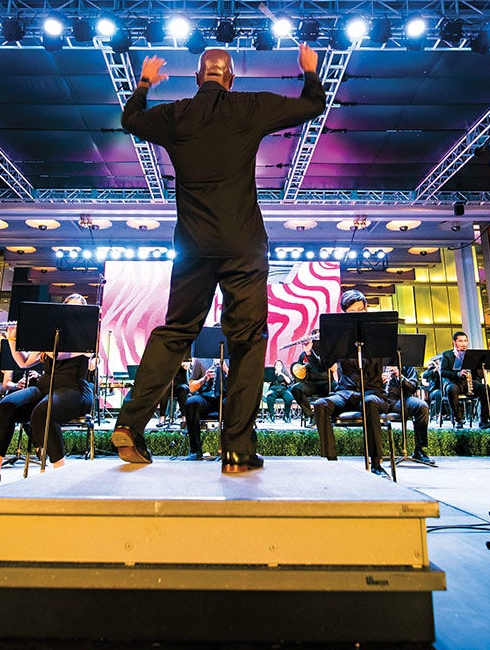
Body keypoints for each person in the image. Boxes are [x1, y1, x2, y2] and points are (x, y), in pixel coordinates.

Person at [110, 43, 325, 473]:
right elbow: (312, 105)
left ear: (196, 79)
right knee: (247, 340)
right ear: (231, 78)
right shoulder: (249, 106)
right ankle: (237, 449)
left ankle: (131, 425)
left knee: (175, 332)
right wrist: (309, 71)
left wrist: (145, 82)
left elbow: (130, 119)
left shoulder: (178, 114)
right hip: (243, 244)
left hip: (192, 244)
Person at [0, 294, 95, 491]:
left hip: (73, 388)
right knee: (6, 405)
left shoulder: (86, 336)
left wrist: (41, 337)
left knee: (43, 411)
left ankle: (61, 473)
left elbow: (61, 354)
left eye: (77, 310)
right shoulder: (51, 335)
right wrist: (12, 339)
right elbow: (23, 362)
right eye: (68, 309)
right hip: (45, 385)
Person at [312, 289, 390, 477]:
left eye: (360, 310)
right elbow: (324, 366)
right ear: (345, 314)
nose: (357, 316)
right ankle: (330, 462)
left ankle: (377, 463)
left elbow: (379, 362)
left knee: (369, 403)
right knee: (321, 404)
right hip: (346, 392)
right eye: (352, 313)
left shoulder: (377, 335)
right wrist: (311, 351)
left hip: (372, 392)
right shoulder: (339, 337)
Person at [381, 364, 435, 465]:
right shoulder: (378, 364)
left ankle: (419, 450)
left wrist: (399, 376)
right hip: (381, 399)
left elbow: (413, 387)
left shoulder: (407, 366)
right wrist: (379, 381)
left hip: (400, 400)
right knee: (369, 404)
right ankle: (375, 454)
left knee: (422, 406)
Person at [439, 331, 490, 428]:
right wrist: (457, 374)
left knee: (485, 389)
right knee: (451, 389)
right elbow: (443, 372)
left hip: (470, 382)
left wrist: (481, 367)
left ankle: (484, 419)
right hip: (454, 382)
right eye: (460, 341)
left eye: (465, 341)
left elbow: (478, 375)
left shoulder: (472, 355)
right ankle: (458, 419)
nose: (463, 344)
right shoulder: (447, 355)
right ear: (454, 342)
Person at [181, 358, 227, 460]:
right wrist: (204, 378)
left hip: (225, 397)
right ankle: (195, 450)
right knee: (191, 403)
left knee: (233, 403)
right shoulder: (201, 360)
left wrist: (226, 370)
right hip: (206, 398)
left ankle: (229, 451)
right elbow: (192, 388)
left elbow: (241, 383)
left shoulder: (231, 358)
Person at [290, 337, 330, 420]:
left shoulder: (328, 352)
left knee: (338, 387)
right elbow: (299, 373)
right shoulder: (304, 354)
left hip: (327, 382)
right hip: (311, 384)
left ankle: (330, 416)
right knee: (296, 389)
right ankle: (311, 415)